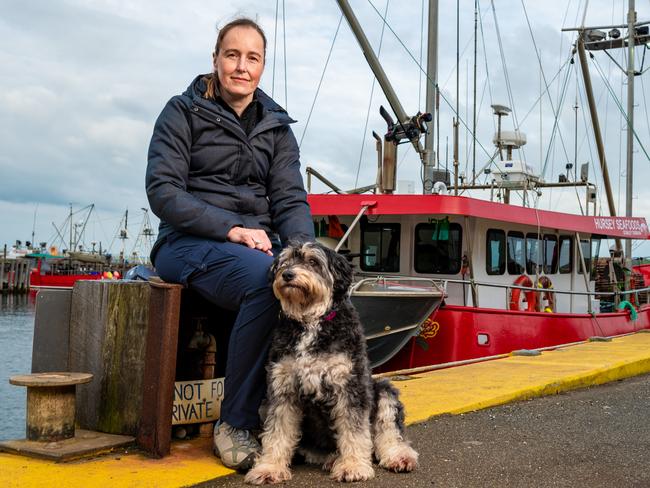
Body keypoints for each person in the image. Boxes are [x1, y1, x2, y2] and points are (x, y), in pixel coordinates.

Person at [146, 17, 314, 471]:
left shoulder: (276, 127)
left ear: (262, 66)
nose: (242, 66)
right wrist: (230, 228)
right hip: (186, 242)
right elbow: (163, 191)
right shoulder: (181, 112)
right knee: (266, 282)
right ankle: (234, 423)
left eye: (252, 58)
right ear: (216, 59)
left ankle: (286, 417)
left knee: (299, 281)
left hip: (255, 246)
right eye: (232, 55)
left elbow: (290, 199)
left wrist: (304, 256)